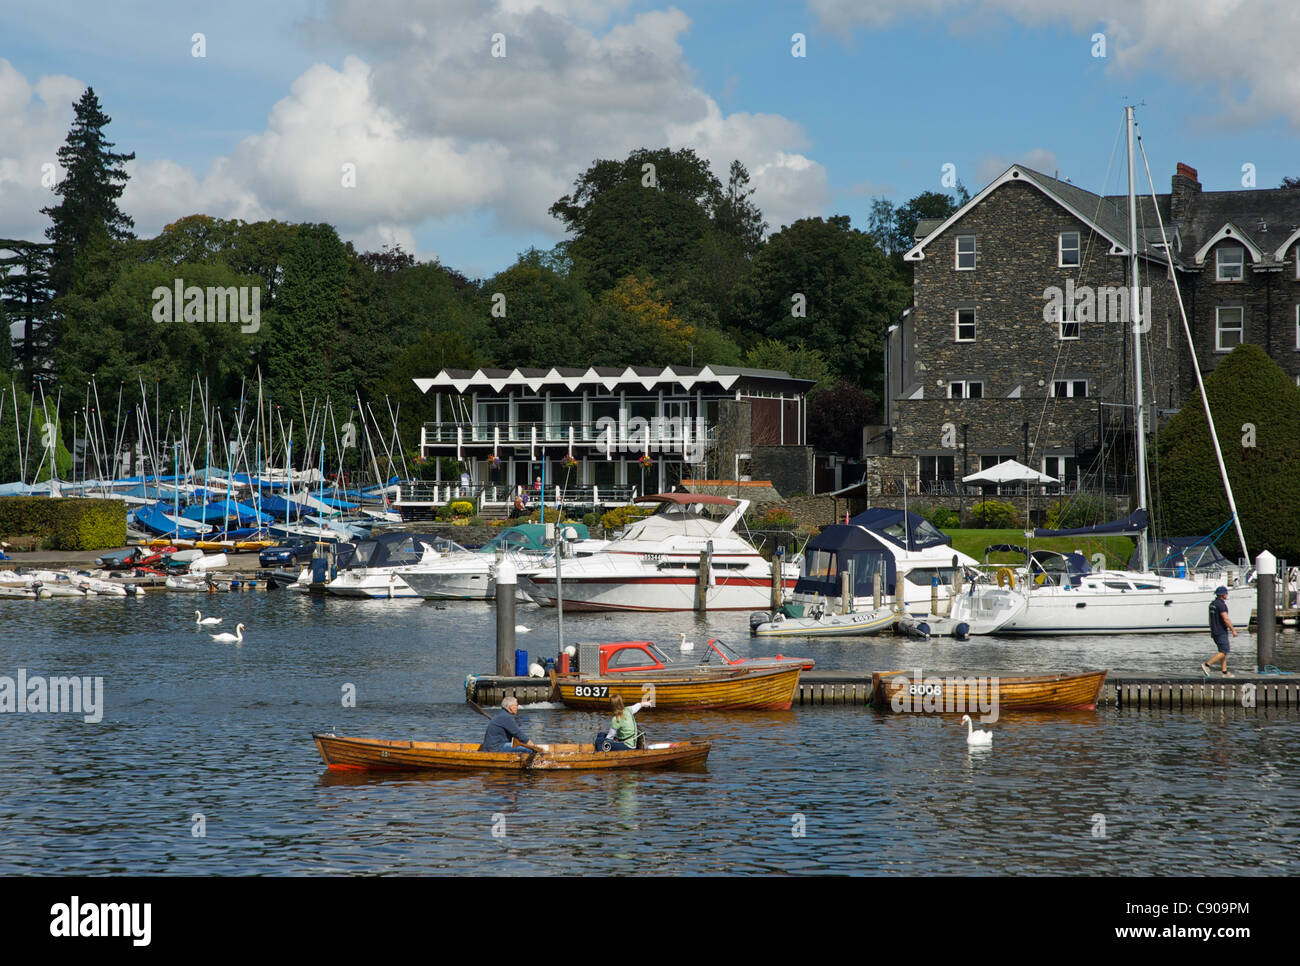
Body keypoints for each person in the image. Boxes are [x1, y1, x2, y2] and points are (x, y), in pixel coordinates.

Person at [480, 696, 547, 754]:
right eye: (516, 705)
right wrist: (533, 746)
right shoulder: (506, 717)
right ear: (511, 707)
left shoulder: (501, 714)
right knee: (530, 750)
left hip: (491, 747)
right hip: (496, 748)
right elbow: (519, 734)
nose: (517, 707)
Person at [1202, 585, 1238, 677]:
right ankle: (1207, 665)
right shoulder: (1221, 605)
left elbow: (1210, 618)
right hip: (1221, 631)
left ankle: (1224, 672)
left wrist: (1211, 630)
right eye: (1226, 593)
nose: (1227, 594)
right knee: (1224, 651)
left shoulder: (1212, 604)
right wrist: (1233, 630)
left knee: (1223, 652)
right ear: (1223, 595)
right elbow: (1225, 619)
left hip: (1214, 631)